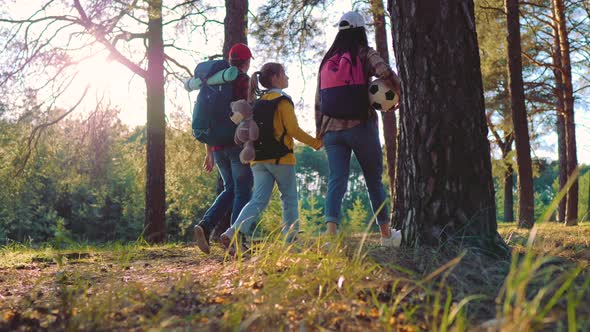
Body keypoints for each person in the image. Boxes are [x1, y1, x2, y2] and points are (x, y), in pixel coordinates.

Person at [315, 11, 401, 247]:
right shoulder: (363, 52)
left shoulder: (327, 60)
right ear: (361, 30)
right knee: (373, 181)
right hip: (360, 126)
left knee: (336, 181)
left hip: (332, 130)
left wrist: (319, 132)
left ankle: (331, 236)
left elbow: (319, 100)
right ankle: (386, 236)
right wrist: (398, 93)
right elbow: (384, 71)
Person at [220, 62, 323, 253]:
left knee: (257, 201)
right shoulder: (282, 101)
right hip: (281, 159)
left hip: (258, 161)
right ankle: (291, 244)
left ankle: (232, 232)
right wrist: (316, 143)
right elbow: (293, 130)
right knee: (289, 199)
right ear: (275, 77)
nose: (287, 78)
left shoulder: (258, 102)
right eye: (284, 74)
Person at [194, 43, 255, 254]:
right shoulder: (241, 81)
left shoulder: (212, 83)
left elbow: (208, 117)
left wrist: (209, 151)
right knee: (243, 190)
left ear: (230, 60)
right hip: (236, 144)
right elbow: (248, 110)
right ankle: (236, 238)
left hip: (216, 145)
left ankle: (205, 225)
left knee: (229, 189)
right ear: (246, 62)